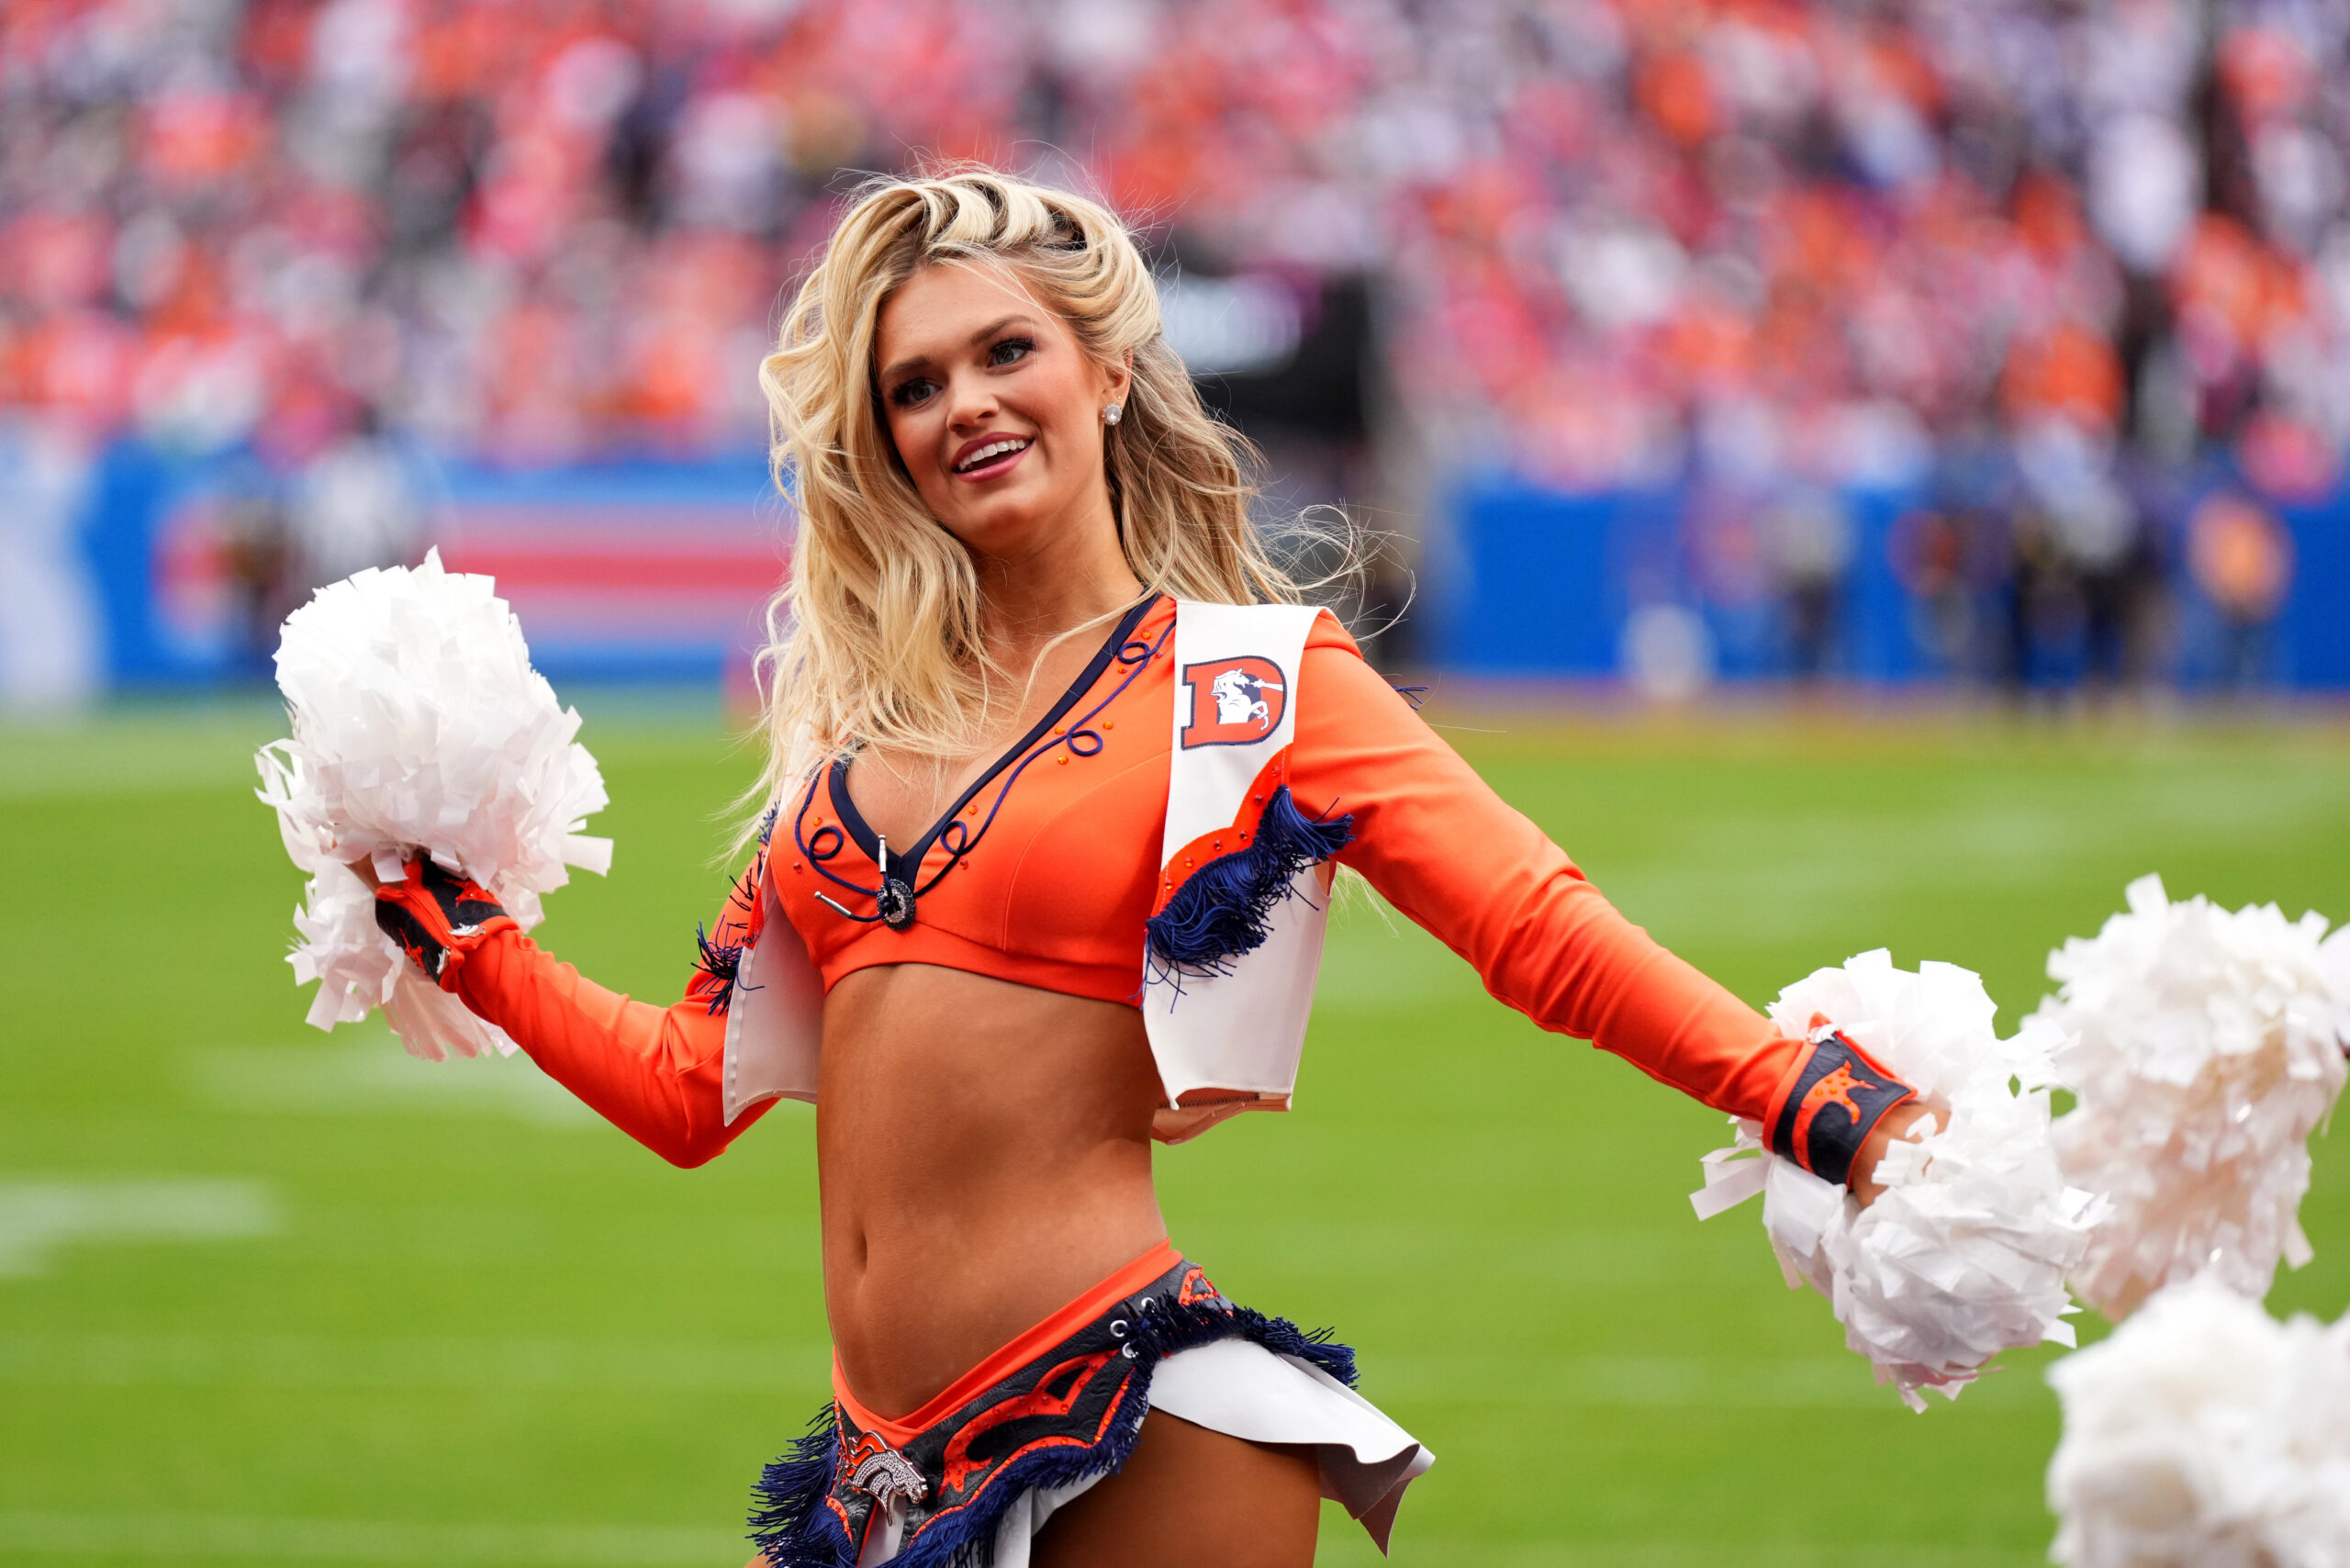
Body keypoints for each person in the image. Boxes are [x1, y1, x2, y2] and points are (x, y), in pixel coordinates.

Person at [361, 169, 1937, 1568]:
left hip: (1135, 1423)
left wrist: (1798, 1091)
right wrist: (464, 935)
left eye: (1005, 354)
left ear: (1109, 371)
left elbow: (1535, 925)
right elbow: (692, 1090)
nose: (963, 403)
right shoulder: (851, 734)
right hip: (880, 1484)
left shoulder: (1253, 685)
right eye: (914, 384)